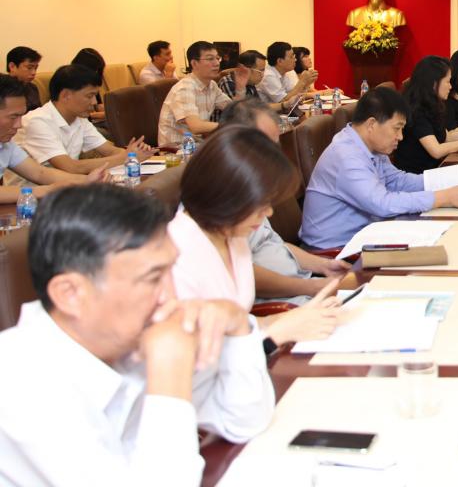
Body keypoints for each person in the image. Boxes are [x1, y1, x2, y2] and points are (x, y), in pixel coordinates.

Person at [0, 185, 274, 485]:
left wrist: (236, 325)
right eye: (153, 278)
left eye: (171, 271)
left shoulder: (127, 338)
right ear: (70, 294)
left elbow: (242, 422)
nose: (171, 296)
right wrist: (169, 373)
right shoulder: (21, 385)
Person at [170, 126, 342, 346]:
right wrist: (276, 332)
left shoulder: (232, 235)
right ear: (226, 194)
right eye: (261, 204)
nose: (268, 213)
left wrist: (293, 318)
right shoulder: (175, 254)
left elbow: (242, 324)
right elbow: (196, 352)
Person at [300, 87, 458, 249]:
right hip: (335, 251)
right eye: (397, 128)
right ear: (371, 124)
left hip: (365, 234)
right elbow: (382, 204)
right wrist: (444, 197)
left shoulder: (369, 146)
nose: (401, 137)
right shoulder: (347, 156)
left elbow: (397, 181)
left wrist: (453, 179)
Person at [219, 99, 354, 302]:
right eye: (265, 144)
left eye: (276, 144)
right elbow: (243, 273)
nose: (275, 155)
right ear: (234, 141)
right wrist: (313, 287)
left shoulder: (250, 184)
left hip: (304, 288)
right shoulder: (219, 197)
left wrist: (325, 265)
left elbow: (274, 244)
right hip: (282, 304)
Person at [12, 64, 154, 178]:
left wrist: (134, 153)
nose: (94, 102)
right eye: (89, 96)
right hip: (30, 197)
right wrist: (126, 157)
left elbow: (110, 150)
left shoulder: (79, 119)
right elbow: (70, 167)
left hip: (67, 187)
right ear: (65, 95)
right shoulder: (37, 121)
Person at [0, 75, 95, 202]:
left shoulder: (7, 144)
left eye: (21, 116)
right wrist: (47, 190)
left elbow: (39, 173)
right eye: (13, 117)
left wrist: (89, 181)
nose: (19, 124)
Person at [394, 56, 458, 173]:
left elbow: (447, 137)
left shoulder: (432, 104)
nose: (450, 86)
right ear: (434, 83)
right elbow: (436, 150)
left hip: (435, 167)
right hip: (418, 174)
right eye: (447, 81)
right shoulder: (416, 109)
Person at [158, 41, 240, 148]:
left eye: (217, 58)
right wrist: (231, 126)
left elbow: (234, 109)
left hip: (197, 145)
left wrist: (241, 87)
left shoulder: (211, 85)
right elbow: (196, 126)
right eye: (210, 59)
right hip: (175, 150)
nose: (217, 63)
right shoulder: (185, 88)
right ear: (194, 63)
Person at [259, 41, 316, 107]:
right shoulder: (268, 75)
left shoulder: (287, 72)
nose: (295, 60)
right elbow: (284, 102)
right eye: (291, 57)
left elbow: (297, 96)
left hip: (286, 111)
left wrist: (307, 83)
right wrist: (302, 82)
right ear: (280, 61)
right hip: (268, 112)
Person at [71, 48, 108, 124]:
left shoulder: (91, 82)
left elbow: (97, 106)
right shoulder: (70, 83)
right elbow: (78, 115)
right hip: (81, 123)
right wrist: (106, 114)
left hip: (92, 121)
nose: (96, 73)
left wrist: (113, 109)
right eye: (95, 70)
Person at [6, 45, 43, 111]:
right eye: (29, 68)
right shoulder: (3, 89)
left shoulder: (32, 87)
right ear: (12, 66)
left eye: (35, 68)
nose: (34, 72)